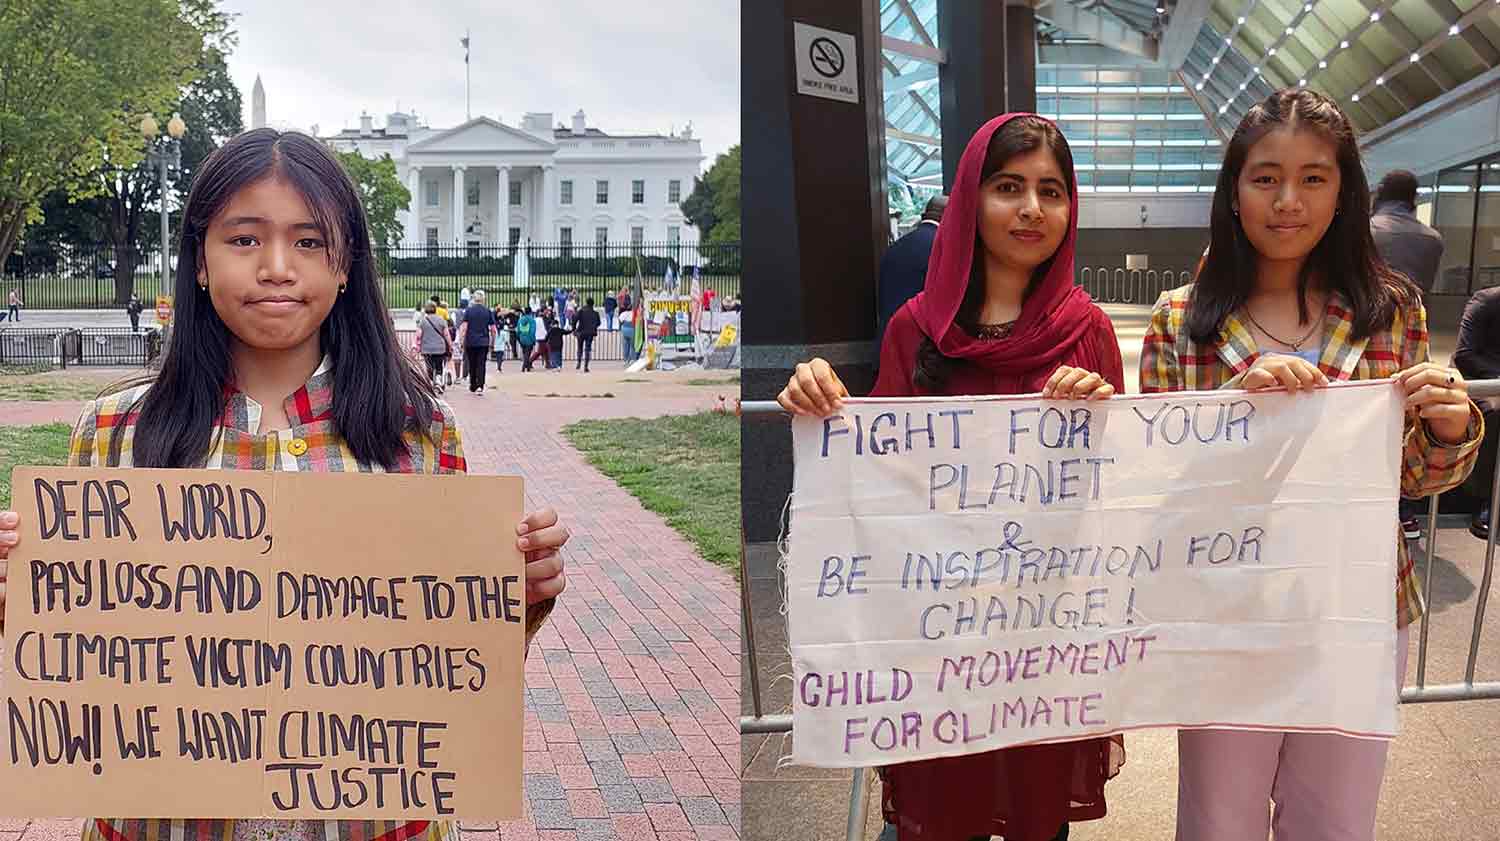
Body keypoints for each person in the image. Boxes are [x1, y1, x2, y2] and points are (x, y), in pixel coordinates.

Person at [0, 127, 569, 841]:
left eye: (308, 241)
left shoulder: (419, 431)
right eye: (243, 239)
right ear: (199, 262)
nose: (276, 266)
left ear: (345, 264)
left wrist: (516, 602)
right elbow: (76, 665)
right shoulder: (115, 429)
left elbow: (447, 675)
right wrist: (19, 602)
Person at [1139, 88, 1481, 841]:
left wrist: (1450, 429)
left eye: (1313, 178)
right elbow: (1163, 488)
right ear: (1234, 191)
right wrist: (1233, 415)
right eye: (1265, 177)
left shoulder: (1392, 310)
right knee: (1217, 818)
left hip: (1357, 609)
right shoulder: (1179, 320)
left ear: (1344, 192)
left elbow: (1411, 476)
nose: (1287, 200)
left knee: (1335, 819)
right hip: (1228, 610)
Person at [777, 113, 1124, 841]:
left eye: (1052, 191)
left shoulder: (1086, 330)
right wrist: (821, 398)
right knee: (942, 821)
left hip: (1041, 636)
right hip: (937, 647)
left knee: (1037, 818)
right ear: (970, 197)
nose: (1032, 209)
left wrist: (1097, 421)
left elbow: (1116, 494)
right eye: (1009, 187)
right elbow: (880, 474)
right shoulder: (914, 328)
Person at [1370, 169, 1448, 538]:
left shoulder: (1368, 230)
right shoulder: (1433, 239)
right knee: (1409, 418)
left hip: (1368, 331)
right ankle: (1406, 511)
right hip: (1414, 331)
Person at [1453, 285, 1500, 539]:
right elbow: (1464, 355)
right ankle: (1487, 497)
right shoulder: (1486, 301)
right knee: (1495, 411)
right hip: (1478, 379)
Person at [878, 194, 947, 338]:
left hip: (886, 340)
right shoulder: (943, 249)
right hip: (919, 345)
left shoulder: (894, 247)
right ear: (949, 217)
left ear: (923, 215)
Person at [454, 289, 497, 394]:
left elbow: (464, 327)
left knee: (472, 363)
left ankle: (473, 384)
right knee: (481, 364)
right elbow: (493, 329)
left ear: (473, 299)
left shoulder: (469, 311)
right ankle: (480, 386)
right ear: (483, 299)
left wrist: (461, 340)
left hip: (471, 341)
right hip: (483, 341)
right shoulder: (487, 311)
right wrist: (493, 342)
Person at [417, 299, 452, 392]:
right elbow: (446, 335)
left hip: (426, 348)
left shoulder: (423, 321)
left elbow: (419, 336)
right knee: (439, 365)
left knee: (429, 367)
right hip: (439, 348)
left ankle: (431, 381)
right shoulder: (441, 320)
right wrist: (450, 345)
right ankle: (438, 381)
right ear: (435, 309)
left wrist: (417, 346)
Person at [574, 296, 601, 372]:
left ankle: (579, 362)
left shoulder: (581, 311)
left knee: (580, 348)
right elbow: (598, 323)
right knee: (587, 349)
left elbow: (575, 319)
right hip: (590, 332)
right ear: (593, 304)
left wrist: (574, 329)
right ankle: (586, 366)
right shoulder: (595, 313)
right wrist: (593, 326)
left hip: (581, 332)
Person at [517, 305, 538, 372]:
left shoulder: (520, 319)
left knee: (525, 353)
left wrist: (519, 338)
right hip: (529, 338)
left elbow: (518, 330)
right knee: (527, 353)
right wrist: (533, 340)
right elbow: (532, 331)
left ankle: (527, 366)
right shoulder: (532, 320)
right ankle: (524, 367)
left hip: (522, 338)